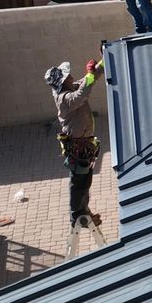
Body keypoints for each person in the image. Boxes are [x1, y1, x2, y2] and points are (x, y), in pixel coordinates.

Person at [46, 59, 103, 228]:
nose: (71, 76)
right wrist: (90, 75)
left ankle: (84, 211)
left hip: (84, 145)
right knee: (78, 182)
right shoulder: (64, 98)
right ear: (63, 81)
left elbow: (89, 80)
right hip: (78, 147)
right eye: (67, 75)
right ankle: (77, 215)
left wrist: (103, 60)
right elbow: (82, 94)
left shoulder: (70, 88)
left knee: (85, 181)